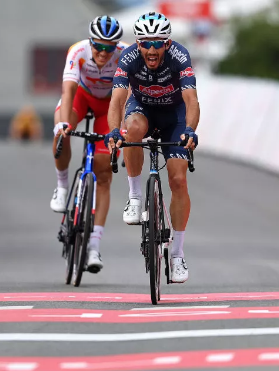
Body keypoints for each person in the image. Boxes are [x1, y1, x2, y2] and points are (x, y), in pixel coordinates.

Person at [105, 12, 200, 284]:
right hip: (142, 110)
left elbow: (192, 100)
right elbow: (117, 101)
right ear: (137, 44)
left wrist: (191, 131)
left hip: (175, 117)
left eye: (158, 43)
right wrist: (114, 131)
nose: (151, 49)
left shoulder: (180, 57)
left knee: (178, 180)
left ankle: (178, 255)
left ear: (168, 44)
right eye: (145, 43)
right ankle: (135, 197)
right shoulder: (129, 58)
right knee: (130, 131)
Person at [50, 15, 127, 273]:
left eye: (109, 47)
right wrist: (63, 124)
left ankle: (94, 246)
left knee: (104, 172)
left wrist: (122, 131)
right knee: (62, 132)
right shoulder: (78, 51)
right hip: (82, 97)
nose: (103, 52)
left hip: (110, 107)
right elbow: (67, 91)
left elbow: (127, 99)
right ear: (90, 42)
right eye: (98, 46)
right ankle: (62, 187)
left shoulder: (125, 55)